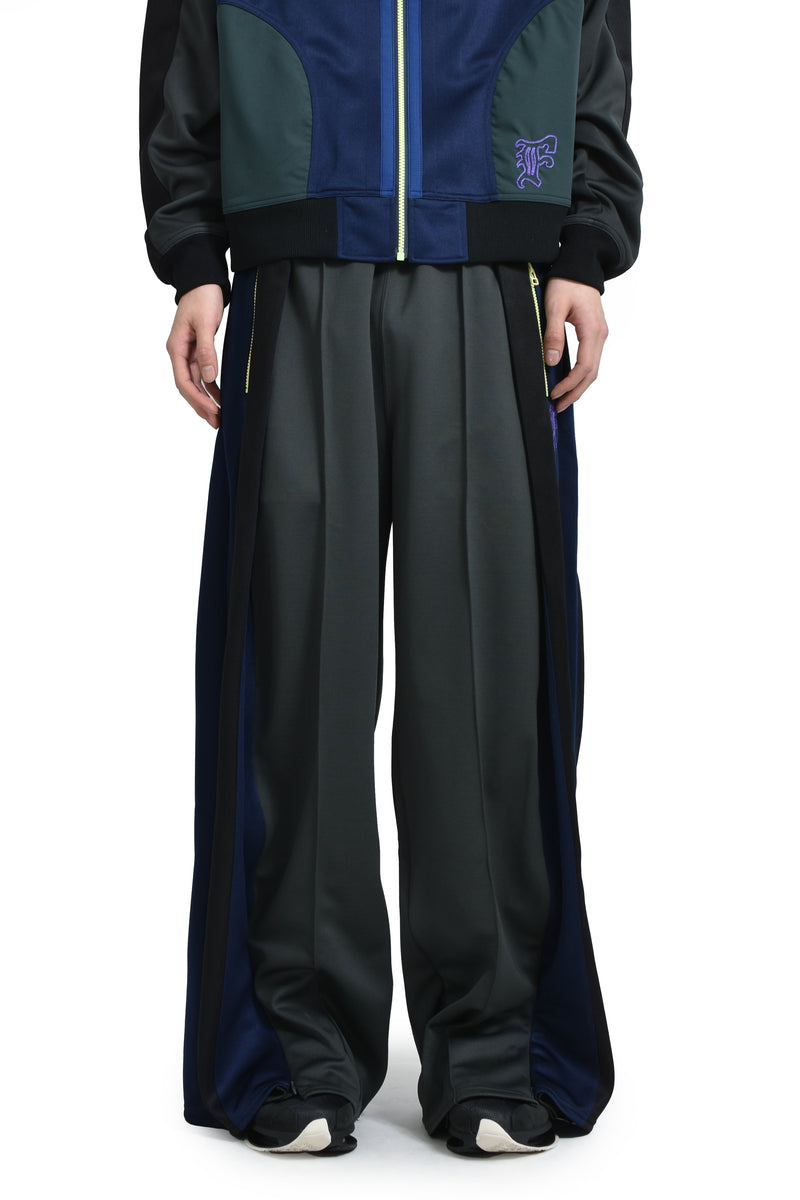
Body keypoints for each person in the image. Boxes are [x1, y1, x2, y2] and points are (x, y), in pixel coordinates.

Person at [139, 0, 643, 1159]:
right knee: (298, 672)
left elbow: (591, 38)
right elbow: (186, 38)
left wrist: (581, 243)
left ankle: (494, 1046)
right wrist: (192, 256)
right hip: (294, 271)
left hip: (495, 270)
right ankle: (296, 1044)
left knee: (487, 674)